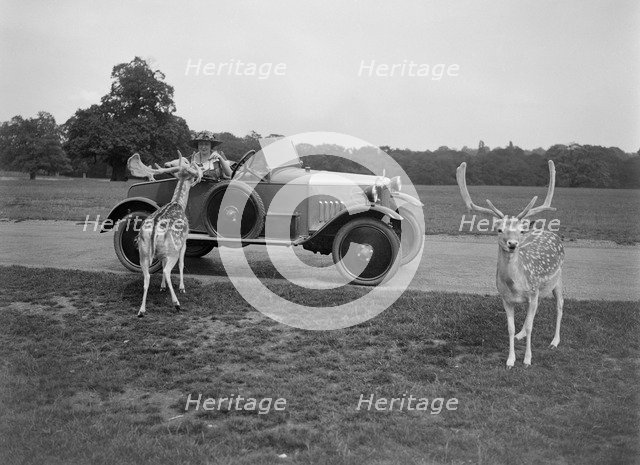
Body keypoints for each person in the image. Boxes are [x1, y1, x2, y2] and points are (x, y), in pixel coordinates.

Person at [166, 131, 233, 180]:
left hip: (214, 193)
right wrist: (170, 164)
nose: (203, 147)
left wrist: (220, 159)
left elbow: (230, 174)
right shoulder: (192, 158)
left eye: (206, 144)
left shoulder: (219, 155)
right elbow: (174, 163)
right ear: (197, 146)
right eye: (201, 144)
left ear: (211, 145)